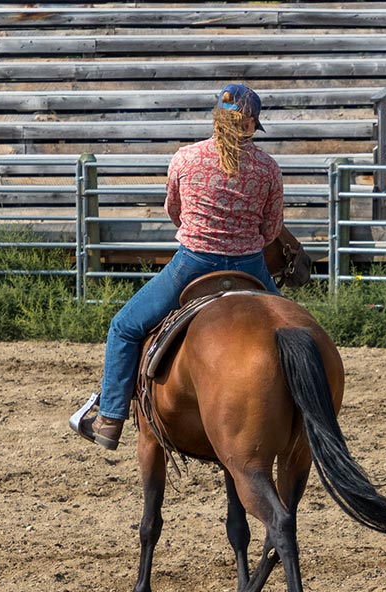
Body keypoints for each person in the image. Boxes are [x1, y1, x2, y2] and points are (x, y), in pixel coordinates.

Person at [71, 83, 286, 450]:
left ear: (217, 120)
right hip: (250, 267)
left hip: (192, 265)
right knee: (293, 334)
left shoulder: (185, 158)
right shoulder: (268, 168)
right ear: (251, 125)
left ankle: (109, 419)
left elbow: (175, 211)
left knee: (124, 327)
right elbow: (272, 230)